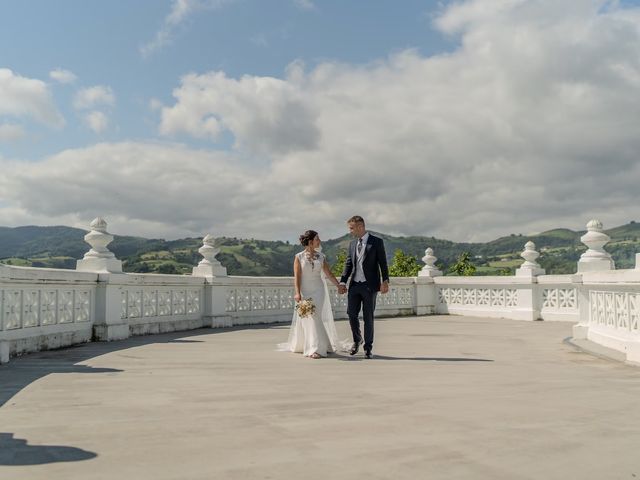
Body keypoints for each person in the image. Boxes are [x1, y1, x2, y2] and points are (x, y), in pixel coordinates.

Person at [279, 230, 342, 359]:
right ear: (310, 241)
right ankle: (319, 346)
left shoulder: (321, 256)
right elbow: (297, 276)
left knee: (315, 317)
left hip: (319, 290)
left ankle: (316, 349)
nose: (319, 241)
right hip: (305, 290)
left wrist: (338, 285)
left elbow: (328, 273)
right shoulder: (299, 257)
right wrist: (297, 293)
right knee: (310, 318)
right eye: (317, 239)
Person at [338, 216, 389, 359]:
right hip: (355, 285)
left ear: (360, 226)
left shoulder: (376, 242)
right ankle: (357, 339)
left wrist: (385, 281)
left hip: (370, 285)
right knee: (351, 314)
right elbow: (348, 264)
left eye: (351, 228)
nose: (350, 231)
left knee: (368, 317)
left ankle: (368, 347)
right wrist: (342, 282)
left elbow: (383, 263)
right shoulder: (352, 244)